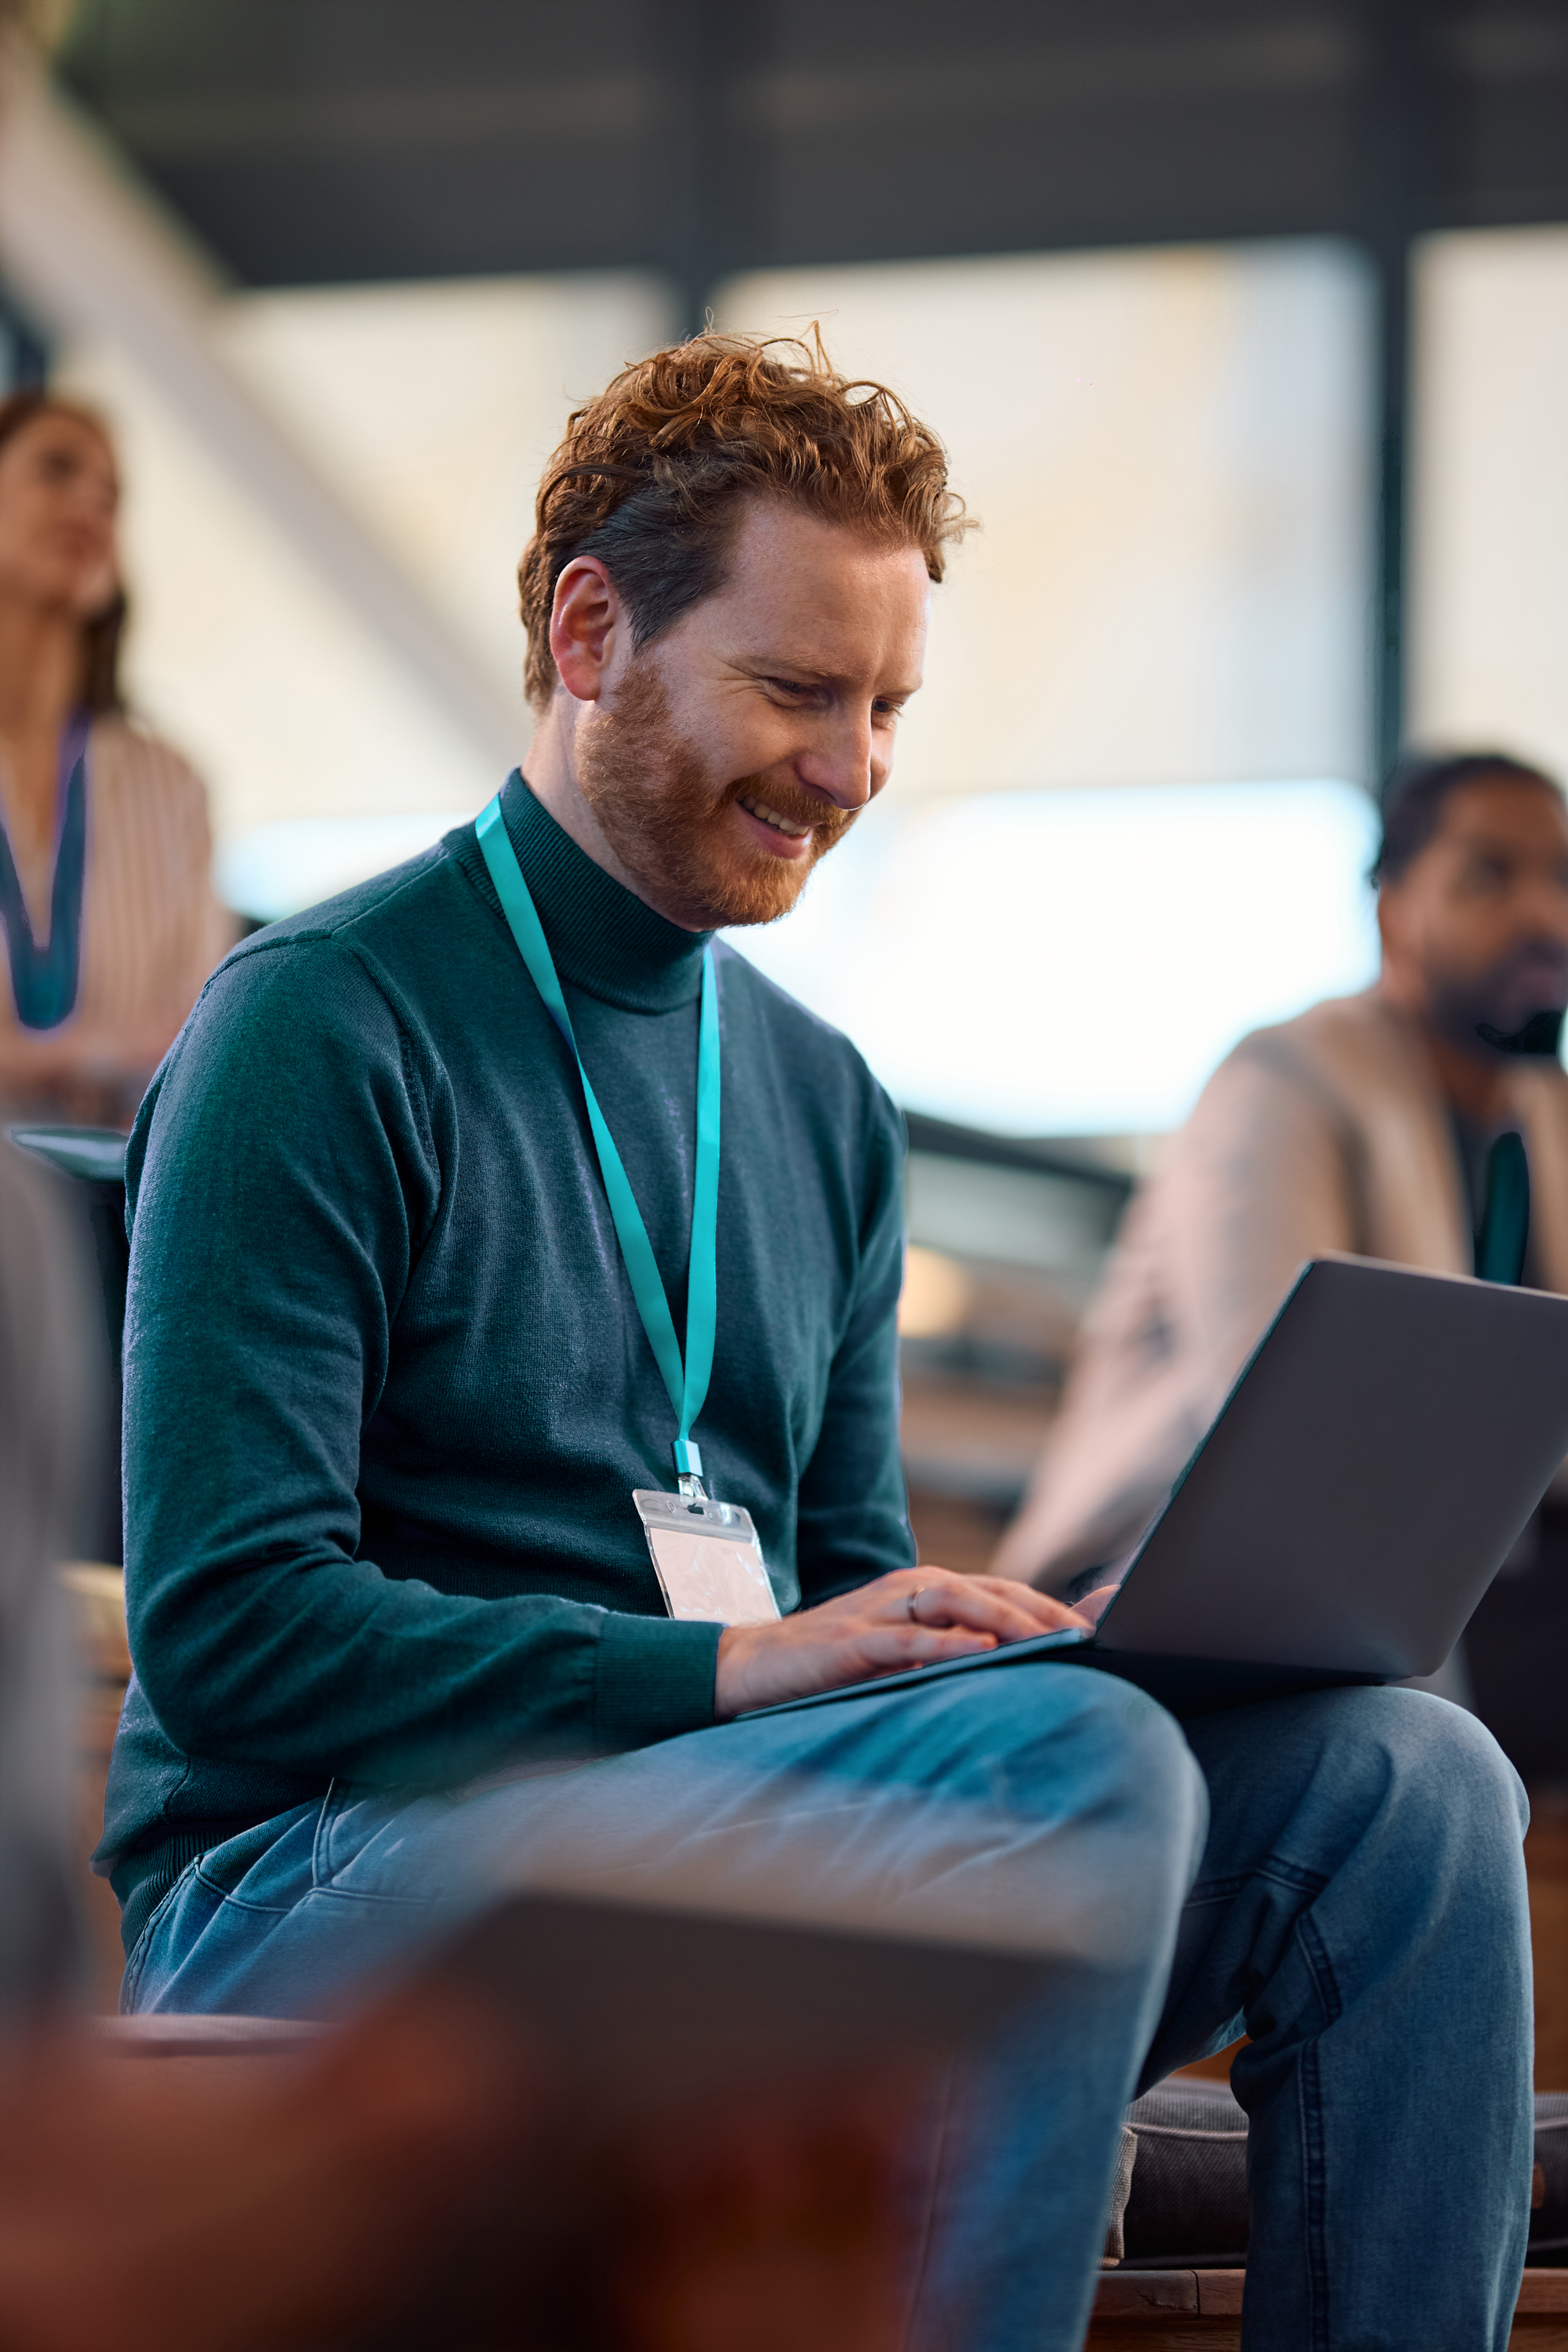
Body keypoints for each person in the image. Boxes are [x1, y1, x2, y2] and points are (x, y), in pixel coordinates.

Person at [98, 336, 1536, 2352]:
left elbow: (853, 1594)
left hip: (713, 1826)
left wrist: (1011, 1632)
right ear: (588, 631)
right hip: (311, 1881)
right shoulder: (315, 1026)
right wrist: (736, 1660)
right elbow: (235, 1636)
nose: (850, 770)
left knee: (1408, 1781)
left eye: (884, 706)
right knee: (1079, 1769)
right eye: (794, 689)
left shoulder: (818, 1098)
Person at [993, 748, 1568, 1599]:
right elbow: (1285, 1418)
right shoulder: (1285, 1079)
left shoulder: (1541, 1113)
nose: (1541, 916)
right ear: (1391, 910)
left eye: (1559, 877)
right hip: (1162, 1565)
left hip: (1464, 1558)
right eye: (1488, 875)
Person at [0, 390, 231, 1127]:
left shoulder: (172, 786)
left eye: (111, 497)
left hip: (116, 1200)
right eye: (57, 471)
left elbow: (197, 1038)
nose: (89, 507)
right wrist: (96, 1051)